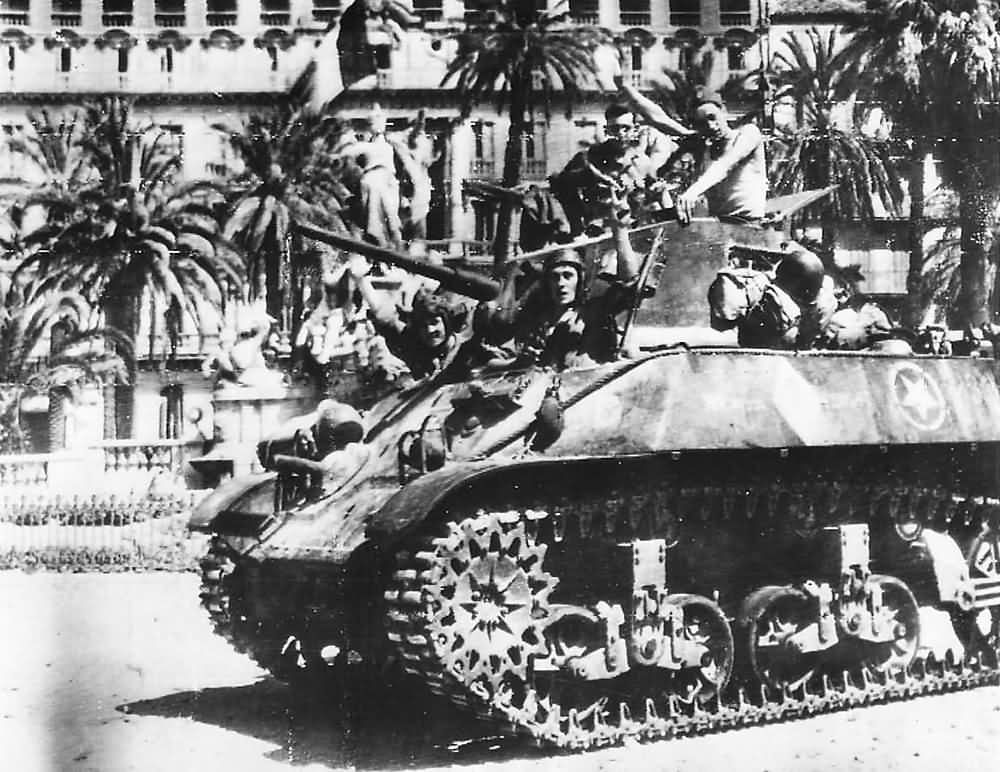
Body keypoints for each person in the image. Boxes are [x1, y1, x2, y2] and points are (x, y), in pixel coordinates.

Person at [480, 218, 641, 370]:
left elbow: (630, 284)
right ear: (547, 283)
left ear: (580, 280)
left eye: (568, 276)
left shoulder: (594, 313)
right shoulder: (534, 319)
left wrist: (620, 230)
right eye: (554, 277)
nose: (561, 283)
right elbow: (489, 360)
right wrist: (515, 363)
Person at [347, 253, 469, 381]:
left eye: (435, 322)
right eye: (423, 326)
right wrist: (361, 281)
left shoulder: (467, 349)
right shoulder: (414, 343)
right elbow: (384, 316)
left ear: (447, 323)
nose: (430, 330)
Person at [673, 90, 766, 225]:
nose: (710, 126)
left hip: (749, 225)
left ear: (724, 112)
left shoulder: (748, 133)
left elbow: (727, 164)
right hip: (719, 227)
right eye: (702, 123)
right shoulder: (706, 152)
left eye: (712, 117)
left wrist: (691, 193)